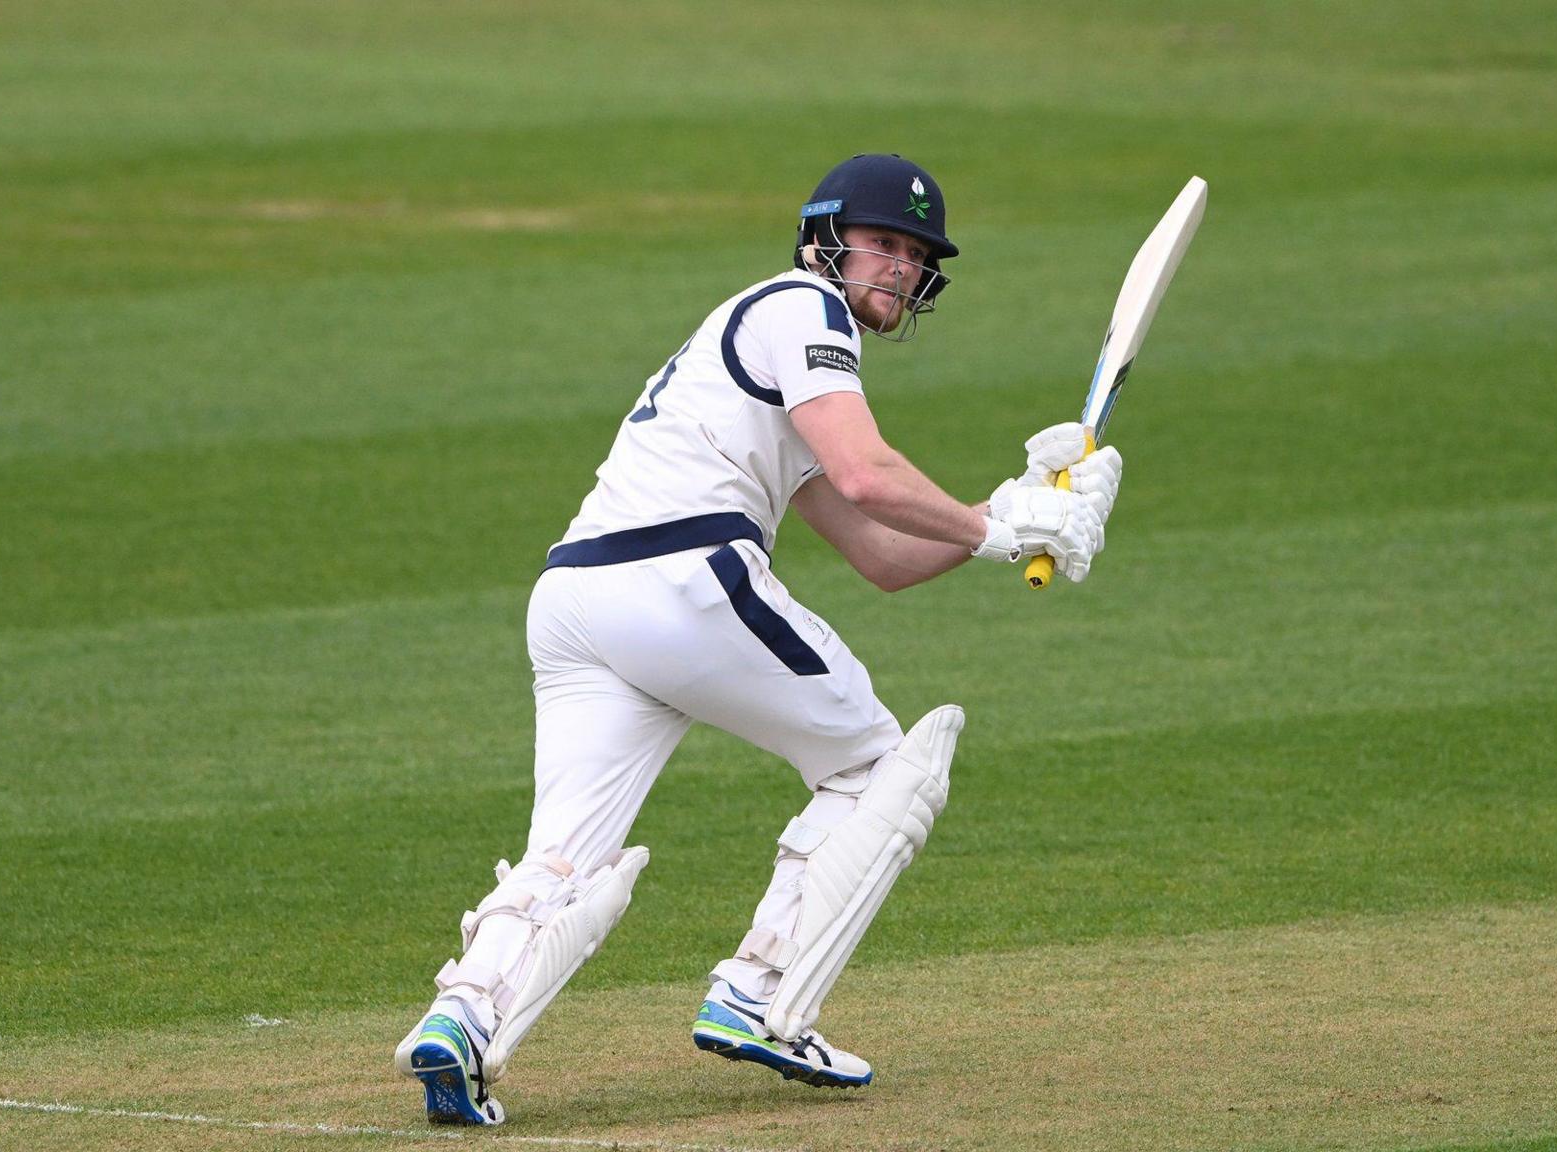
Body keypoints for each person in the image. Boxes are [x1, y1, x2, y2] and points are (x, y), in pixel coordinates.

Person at [392, 153, 1123, 1125]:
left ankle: (461, 1023)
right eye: (882, 243)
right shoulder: (803, 311)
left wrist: (1015, 502)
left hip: (575, 601)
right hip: (678, 581)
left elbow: (879, 554)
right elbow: (867, 475)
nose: (899, 268)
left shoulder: (762, 354)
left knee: (563, 854)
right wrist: (1002, 533)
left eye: (914, 255)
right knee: (875, 767)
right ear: (825, 237)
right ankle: (759, 993)